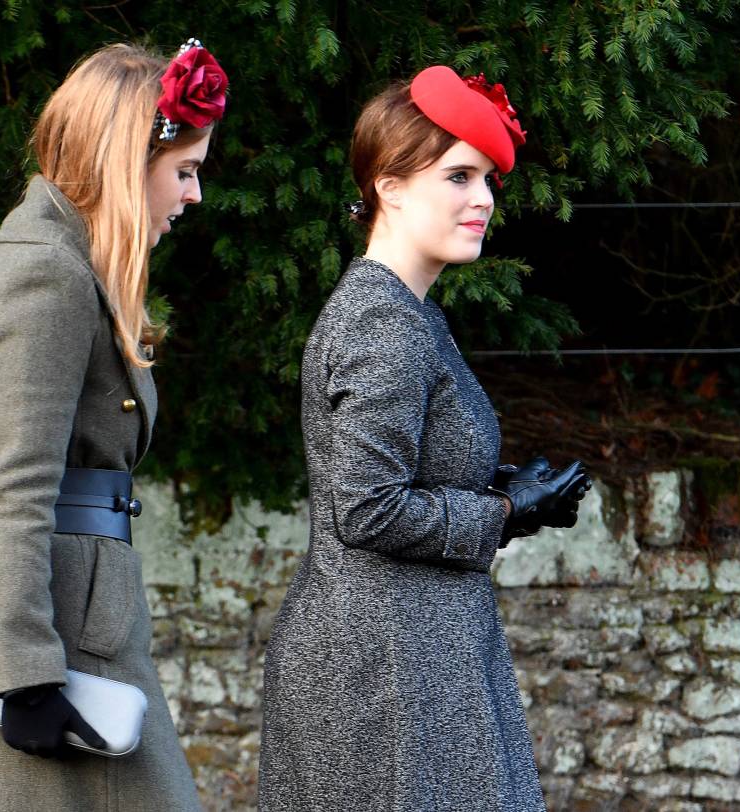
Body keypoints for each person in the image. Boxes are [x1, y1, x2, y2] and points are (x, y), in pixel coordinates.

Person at [0, 39, 228, 811]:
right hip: (46, 641)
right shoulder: (48, 274)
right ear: (127, 162)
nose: (193, 194)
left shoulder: (68, 266)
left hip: (74, 627)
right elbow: (13, 485)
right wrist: (25, 674)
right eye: (184, 170)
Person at [257, 66, 591, 811]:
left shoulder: (407, 312)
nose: (484, 199)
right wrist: (504, 513)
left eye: (487, 180)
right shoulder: (384, 322)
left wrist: (501, 490)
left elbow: (402, 476)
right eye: (459, 176)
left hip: (410, 657)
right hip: (383, 675)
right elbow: (366, 508)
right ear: (391, 187)